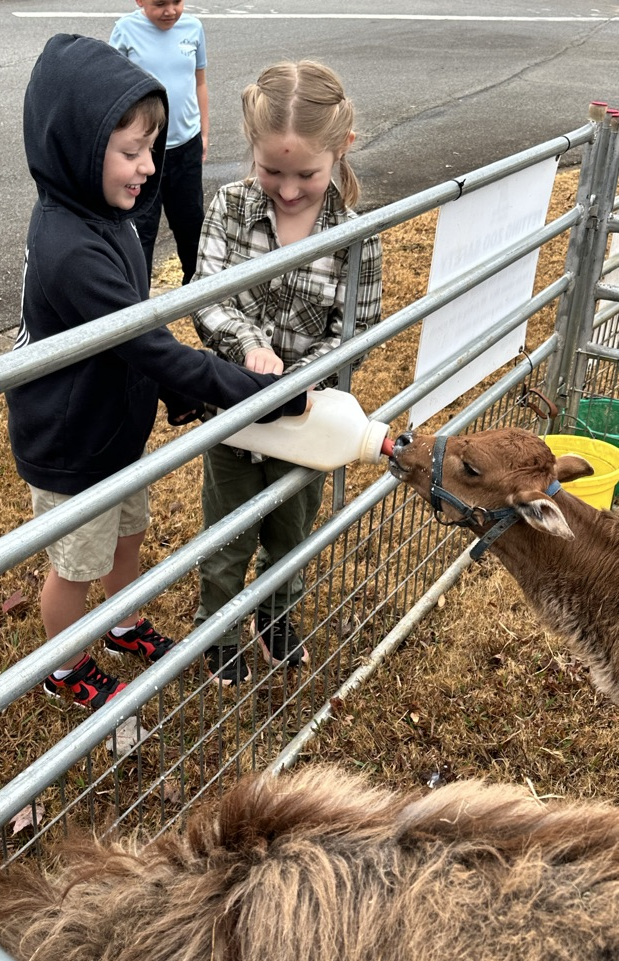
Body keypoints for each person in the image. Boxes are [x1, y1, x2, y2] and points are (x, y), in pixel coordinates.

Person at [6, 34, 307, 711]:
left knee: (128, 530)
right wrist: (263, 394)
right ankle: (64, 665)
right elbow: (148, 344)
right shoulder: (69, 249)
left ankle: (122, 620)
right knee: (75, 564)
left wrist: (169, 392)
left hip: (112, 423)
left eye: (151, 148)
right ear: (77, 148)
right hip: (71, 442)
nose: (149, 167)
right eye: (131, 152)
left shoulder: (107, 214)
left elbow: (138, 325)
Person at [191, 60, 383, 687]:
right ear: (252, 147)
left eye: (307, 174)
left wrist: (299, 381)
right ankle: (220, 629)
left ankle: (276, 617)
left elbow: (358, 328)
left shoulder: (357, 236)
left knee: (292, 531)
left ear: (341, 148)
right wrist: (249, 348)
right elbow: (207, 296)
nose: (289, 189)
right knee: (227, 533)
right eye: (271, 171)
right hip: (235, 415)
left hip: (307, 421)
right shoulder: (227, 207)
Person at [109, 0, 207, 285]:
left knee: (191, 225)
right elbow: (113, 91)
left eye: (177, 1)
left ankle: (197, 291)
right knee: (141, 230)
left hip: (186, 146)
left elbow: (199, 82)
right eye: (160, 3)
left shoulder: (193, 28)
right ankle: (138, 298)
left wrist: (204, 132)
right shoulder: (125, 30)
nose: (170, 11)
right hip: (144, 151)